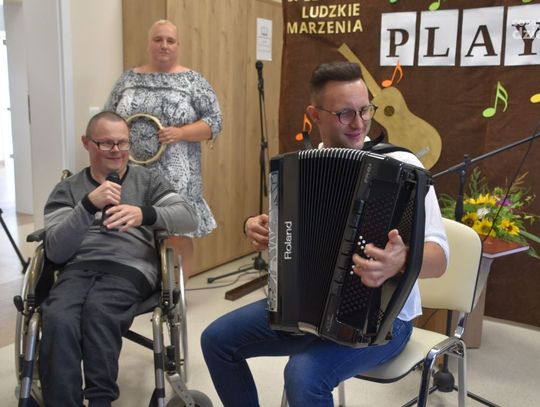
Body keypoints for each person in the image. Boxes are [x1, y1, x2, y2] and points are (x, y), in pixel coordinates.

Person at [200, 61, 449, 406]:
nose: (359, 123)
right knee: (216, 340)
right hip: (304, 310)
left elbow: (440, 258)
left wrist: (401, 260)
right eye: (345, 113)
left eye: (365, 110)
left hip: (383, 321)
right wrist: (254, 226)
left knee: (303, 375)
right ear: (314, 115)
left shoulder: (404, 168)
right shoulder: (301, 168)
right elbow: (287, 240)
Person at [38, 111, 198, 407]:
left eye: (123, 143)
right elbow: (57, 251)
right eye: (107, 143)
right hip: (79, 267)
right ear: (87, 143)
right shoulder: (68, 189)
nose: (117, 151)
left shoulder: (148, 181)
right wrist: (88, 206)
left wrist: (144, 214)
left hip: (131, 267)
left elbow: (189, 217)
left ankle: (100, 400)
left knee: (100, 310)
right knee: (58, 318)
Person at [104, 19, 222, 280]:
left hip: (178, 176)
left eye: (170, 40)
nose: (164, 45)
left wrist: (181, 133)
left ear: (178, 45)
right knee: (131, 231)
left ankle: (175, 295)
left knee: (176, 234)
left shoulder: (193, 81)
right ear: (149, 44)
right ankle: (139, 287)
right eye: (158, 39)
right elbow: (108, 119)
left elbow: (215, 122)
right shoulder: (128, 79)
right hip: (131, 173)